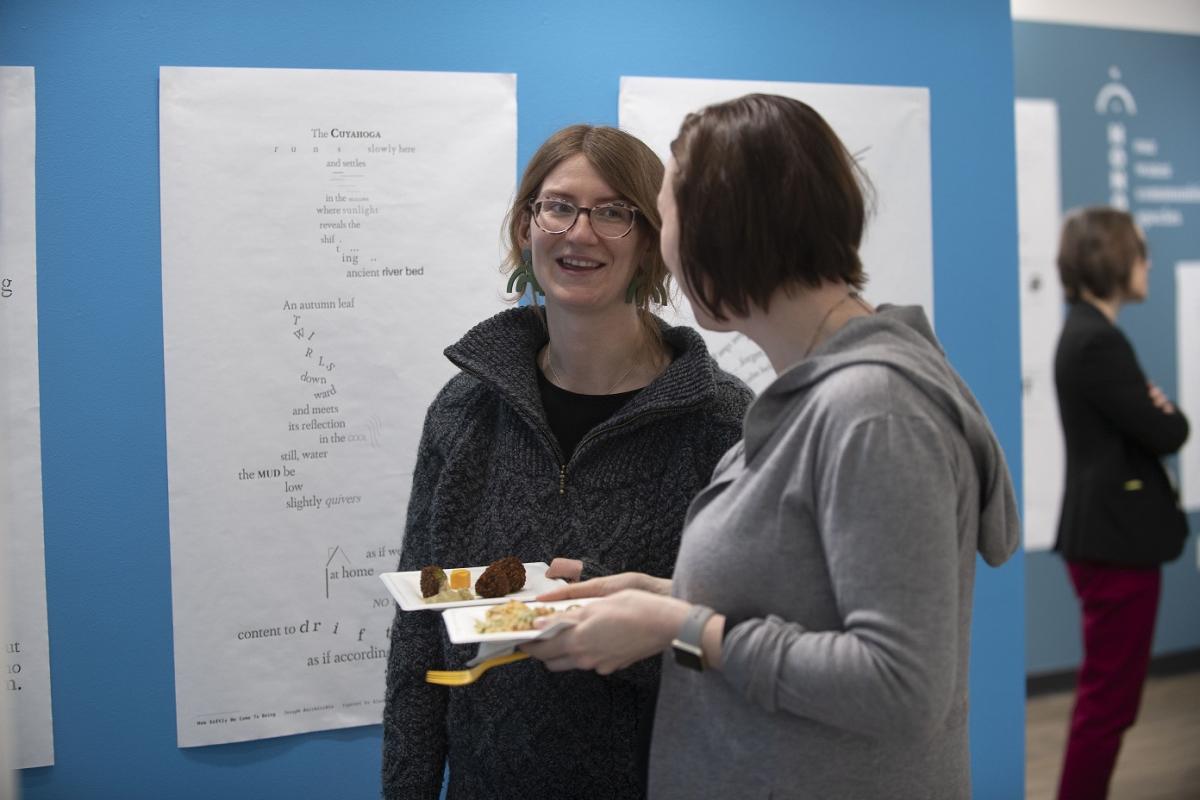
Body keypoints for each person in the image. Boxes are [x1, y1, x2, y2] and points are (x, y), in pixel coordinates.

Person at [523, 93, 1020, 799]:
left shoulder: (873, 413)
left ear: (722, 238)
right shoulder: (819, 395)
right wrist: (661, 598)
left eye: (668, 222)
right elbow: (802, 604)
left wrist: (680, 624)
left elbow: (899, 685)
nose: (663, 247)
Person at [380, 124, 752, 800]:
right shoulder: (466, 410)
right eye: (557, 206)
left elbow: (748, 648)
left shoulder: (721, 425)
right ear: (527, 226)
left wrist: (629, 626)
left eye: (614, 212)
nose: (579, 233)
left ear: (651, 240)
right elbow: (418, 630)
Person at [1051, 207, 1190, 800]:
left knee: (1108, 701)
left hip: (1107, 538)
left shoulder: (1087, 334)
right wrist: (1164, 411)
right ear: (1112, 260)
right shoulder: (1097, 343)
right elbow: (1168, 433)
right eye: (1139, 252)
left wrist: (1160, 412)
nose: (1147, 264)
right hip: (1115, 542)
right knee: (1108, 706)